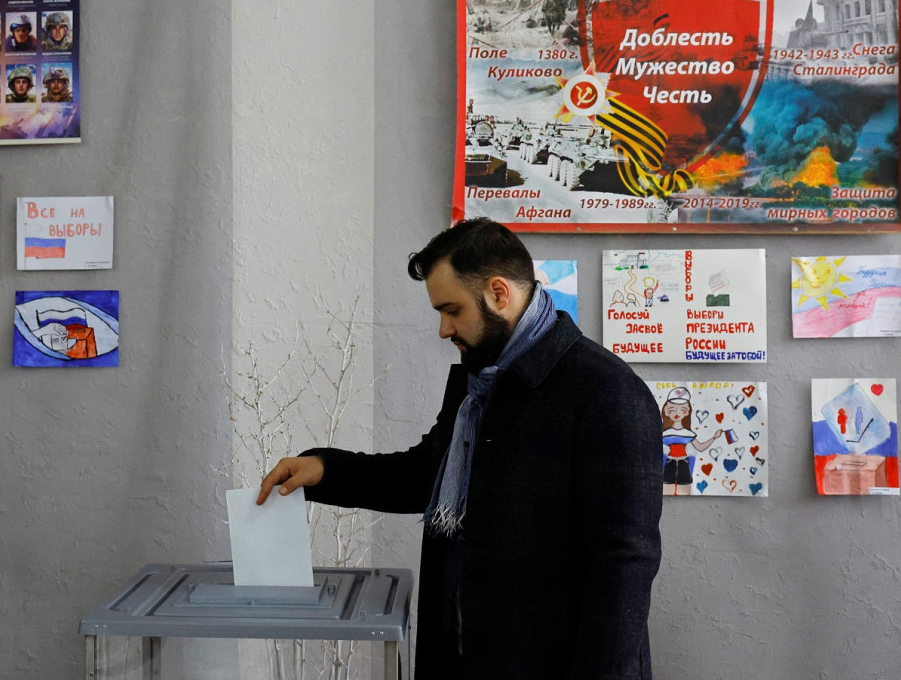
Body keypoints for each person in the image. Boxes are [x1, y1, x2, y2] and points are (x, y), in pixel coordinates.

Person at [258, 218, 663, 679]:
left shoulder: (607, 392)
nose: (443, 329)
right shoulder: (479, 384)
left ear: (498, 293)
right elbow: (425, 475)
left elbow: (625, 564)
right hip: (461, 654)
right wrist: (324, 470)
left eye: (451, 310)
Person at [659, 387, 724, 497]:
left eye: (682, 410)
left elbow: (700, 447)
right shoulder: (664, 433)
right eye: (672, 410)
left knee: (684, 491)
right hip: (668, 464)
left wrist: (714, 438)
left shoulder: (688, 433)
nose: (677, 413)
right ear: (666, 411)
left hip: (684, 464)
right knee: (666, 491)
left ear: (687, 412)